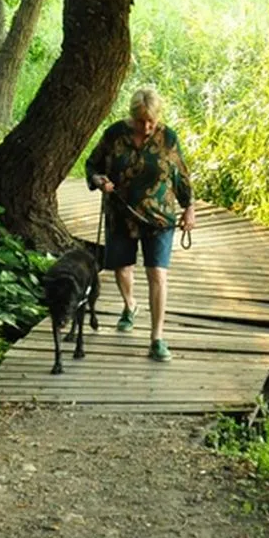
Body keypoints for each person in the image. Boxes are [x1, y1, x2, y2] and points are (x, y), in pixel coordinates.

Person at [85, 87, 195, 362]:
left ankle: (157, 338)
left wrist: (189, 208)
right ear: (131, 115)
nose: (145, 127)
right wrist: (99, 180)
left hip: (158, 217)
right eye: (140, 121)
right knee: (122, 267)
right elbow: (92, 165)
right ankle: (130, 305)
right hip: (120, 212)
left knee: (157, 273)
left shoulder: (168, 138)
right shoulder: (114, 134)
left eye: (151, 121)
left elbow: (181, 175)